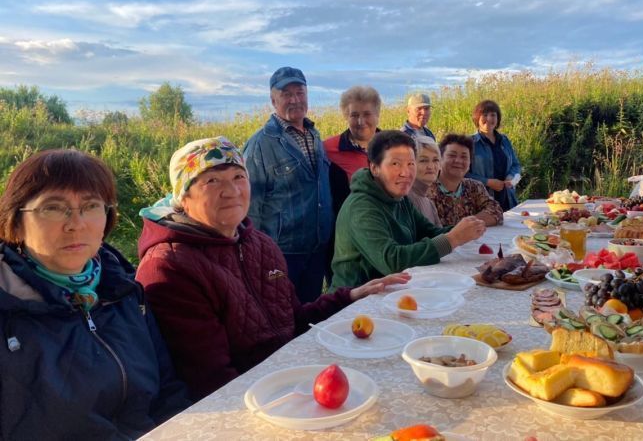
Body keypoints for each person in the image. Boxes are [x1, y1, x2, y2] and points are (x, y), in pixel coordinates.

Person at [136, 137, 409, 401]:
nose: (231, 191)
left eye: (238, 177)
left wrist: (350, 296)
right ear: (184, 197)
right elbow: (212, 382)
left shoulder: (259, 244)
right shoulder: (169, 265)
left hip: (291, 377)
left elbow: (293, 321)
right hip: (255, 401)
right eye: (212, 180)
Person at [0, 149, 188, 440]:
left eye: (90, 206)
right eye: (52, 207)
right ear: (16, 220)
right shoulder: (9, 309)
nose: (76, 223)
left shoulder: (124, 291)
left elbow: (168, 390)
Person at [330, 130, 486, 290]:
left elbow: (428, 231)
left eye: (411, 164)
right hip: (354, 302)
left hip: (392, 291)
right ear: (375, 168)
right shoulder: (362, 207)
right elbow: (392, 261)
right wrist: (453, 239)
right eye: (395, 164)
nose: (405, 173)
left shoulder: (398, 196)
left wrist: (464, 230)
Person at [243, 66, 332, 302]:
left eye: (300, 93)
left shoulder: (314, 135)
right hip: (282, 253)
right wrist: (258, 257)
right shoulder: (260, 145)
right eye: (286, 94)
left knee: (310, 314)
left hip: (316, 247)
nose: (295, 100)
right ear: (273, 100)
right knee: (282, 318)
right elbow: (250, 207)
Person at [324, 85, 381, 215]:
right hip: (348, 224)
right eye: (354, 115)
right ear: (346, 117)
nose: (361, 121)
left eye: (367, 114)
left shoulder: (391, 146)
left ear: (377, 114)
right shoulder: (328, 149)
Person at [428, 134, 504, 226]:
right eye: (452, 155)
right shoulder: (427, 190)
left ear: (470, 163)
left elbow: (496, 211)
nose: (458, 161)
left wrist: (467, 225)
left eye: (464, 157)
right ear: (440, 159)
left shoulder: (474, 187)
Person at [467, 100, 522, 211]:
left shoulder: (504, 140)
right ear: (477, 118)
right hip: (482, 201)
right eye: (485, 115)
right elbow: (463, 174)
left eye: (493, 115)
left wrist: (511, 176)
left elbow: (516, 165)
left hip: (508, 199)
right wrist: (488, 182)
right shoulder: (469, 143)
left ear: (497, 119)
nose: (489, 118)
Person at [408, 135, 442, 226]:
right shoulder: (405, 201)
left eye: (435, 160)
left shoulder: (429, 204)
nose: (431, 166)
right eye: (423, 161)